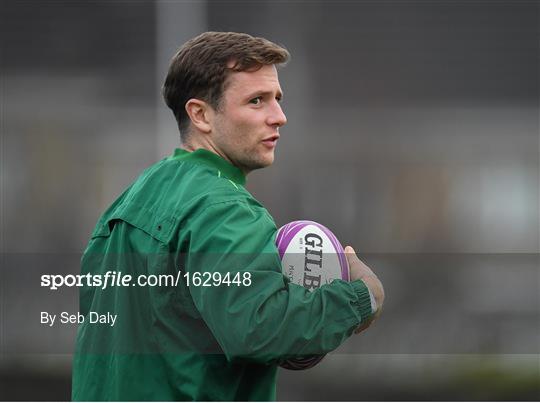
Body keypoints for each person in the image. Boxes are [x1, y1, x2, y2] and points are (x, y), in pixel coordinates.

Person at [71, 31, 385, 401]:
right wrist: (362, 296)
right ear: (200, 114)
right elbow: (260, 330)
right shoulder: (224, 209)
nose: (279, 117)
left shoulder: (125, 205)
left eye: (277, 100)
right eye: (257, 101)